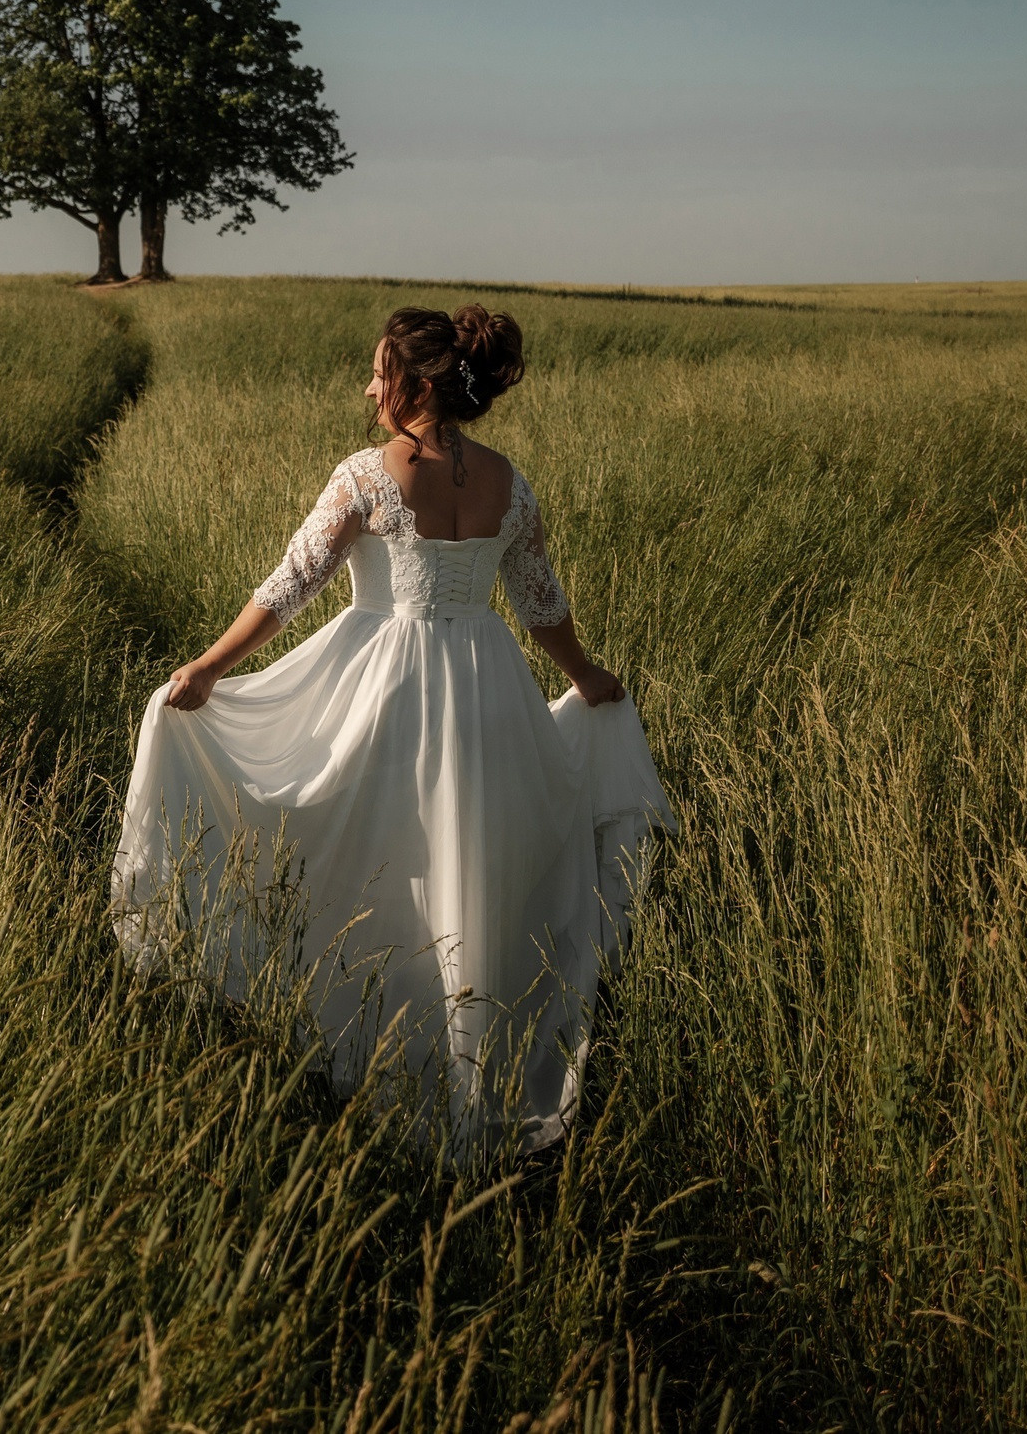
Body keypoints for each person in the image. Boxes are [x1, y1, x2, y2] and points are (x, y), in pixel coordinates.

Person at [111, 304, 673, 1150]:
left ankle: (377, 1047)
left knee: (379, 861)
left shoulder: (366, 475)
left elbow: (290, 584)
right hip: (487, 687)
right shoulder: (506, 480)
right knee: (471, 862)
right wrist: (584, 677)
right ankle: (470, 1060)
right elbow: (538, 599)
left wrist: (209, 667)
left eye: (378, 372)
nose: (369, 386)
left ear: (413, 384)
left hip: (386, 682)